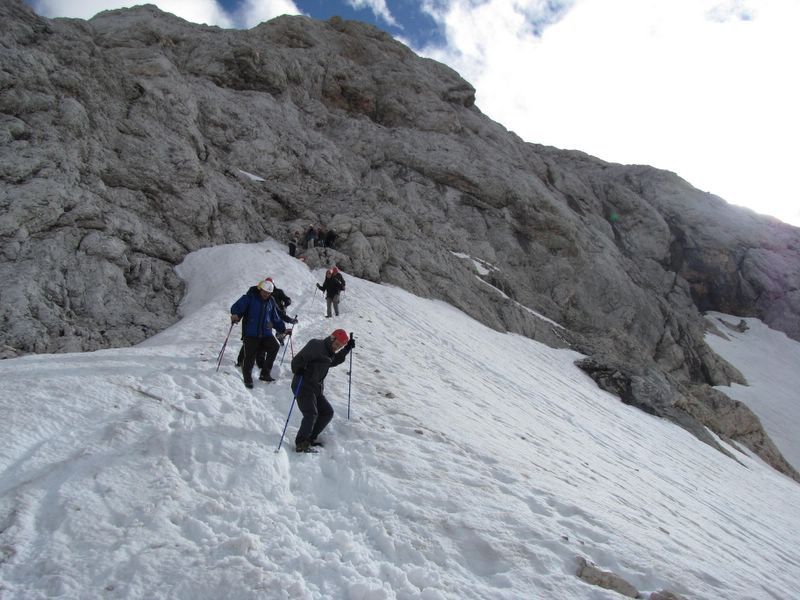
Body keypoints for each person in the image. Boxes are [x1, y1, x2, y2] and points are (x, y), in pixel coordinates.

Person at [290, 329, 355, 452]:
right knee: (311, 414)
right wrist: (298, 368)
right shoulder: (316, 345)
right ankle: (301, 443)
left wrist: (346, 349)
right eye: (337, 344)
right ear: (332, 338)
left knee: (327, 412)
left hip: (316, 388)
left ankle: (309, 438)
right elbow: (297, 360)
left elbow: (333, 361)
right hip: (303, 384)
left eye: (340, 346)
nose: (337, 348)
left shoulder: (330, 352)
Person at [230, 280, 294, 389]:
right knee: (249, 356)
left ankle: (265, 373)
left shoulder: (270, 302)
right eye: (264, 291)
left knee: (274, 346)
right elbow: (236, 307)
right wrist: (235, 315)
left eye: (269, 293)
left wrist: (283, 329)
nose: (266, 294)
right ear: (260, 289)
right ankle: (247, 378)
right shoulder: (250, 298)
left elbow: (275, 318)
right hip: (251, 333)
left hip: (265, 334)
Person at [235, 277, 296, 365]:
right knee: (248, 342)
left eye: (269, 290)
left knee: (263, 341)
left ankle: (260, 362)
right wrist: (237, 315)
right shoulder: (252, 295)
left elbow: (279, 312)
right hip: (250, 322)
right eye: (264, 290)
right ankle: (242, 361)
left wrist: (288, 318)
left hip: (267, 321)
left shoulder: (275, 295)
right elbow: (243, 307)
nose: (266, 293)